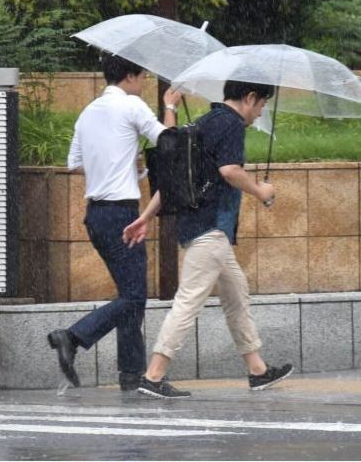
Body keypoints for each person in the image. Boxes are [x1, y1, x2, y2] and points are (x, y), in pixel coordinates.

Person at [123, 80, 293, 399]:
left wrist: (145, 218)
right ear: (249, 97)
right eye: (261, 106)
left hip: (202, 228)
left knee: (236, 293)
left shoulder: (203, 121)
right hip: (211, 228)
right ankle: (153, 376)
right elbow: (229, 170)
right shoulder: (230, 124)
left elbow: (175, 179)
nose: (260, 114)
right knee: (189, 300)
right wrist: (261, 192)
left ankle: (257, 370)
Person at [47, 54, 181, 391]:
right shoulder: (132, 106)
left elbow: (74, 163)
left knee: (129, 294)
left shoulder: (88, 112)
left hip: (96, 215)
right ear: (131, 77)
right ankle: (73, 336)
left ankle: (131, 374)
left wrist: (121, 166)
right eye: (143, 77)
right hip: (122, 214)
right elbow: (169, 144)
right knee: (134, 297)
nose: (145, 83)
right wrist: (171, 106)